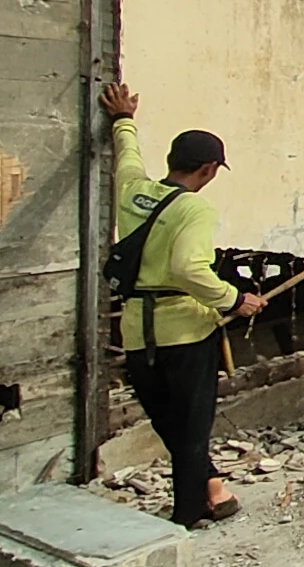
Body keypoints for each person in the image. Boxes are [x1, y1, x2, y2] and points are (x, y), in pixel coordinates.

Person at [99, 83, 265, 527]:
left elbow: (127, 156)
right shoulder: (194, 210)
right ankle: (188, 515)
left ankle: (212, 489)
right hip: (186, 333)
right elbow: (189, 269)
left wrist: (123, 120)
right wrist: (235, 299)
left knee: (168, 424)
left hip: (137, 330)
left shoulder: (133, 191)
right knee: (191, 431)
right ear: (209, 170)